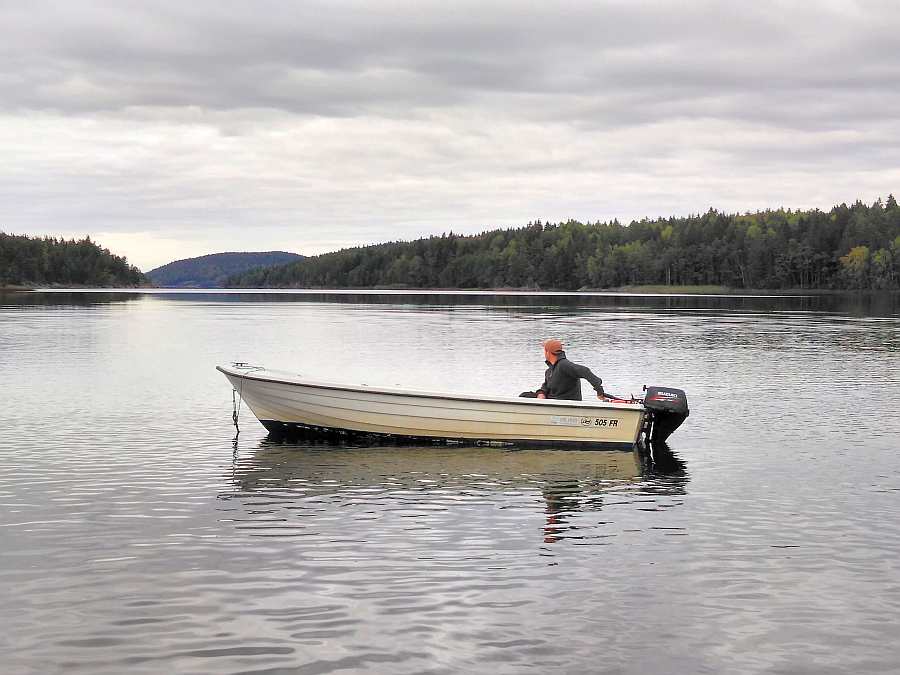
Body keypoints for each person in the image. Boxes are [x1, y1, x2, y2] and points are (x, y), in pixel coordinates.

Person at [521, 339, 606, 401]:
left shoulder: (564, 365)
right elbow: (545, 387)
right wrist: (541, 394)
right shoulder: (549, 371)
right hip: (552, 402)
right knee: (524, 396)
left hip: (566, 405)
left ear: (547, 352)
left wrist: (599, 390)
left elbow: (585, 371)